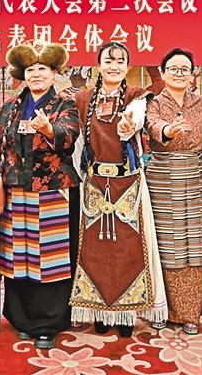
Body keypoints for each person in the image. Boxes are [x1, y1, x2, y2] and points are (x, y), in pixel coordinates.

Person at [69, 42, 167, 337]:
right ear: (98, 65)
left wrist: (128, 125)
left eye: (120, 61)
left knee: (128, 248)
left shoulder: (136, 96)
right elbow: (78, 141)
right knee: (96, 250)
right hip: (95, 183)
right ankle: (100, 311)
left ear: (127, 66)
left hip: (128, 183)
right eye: (108, 60)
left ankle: (126, 315)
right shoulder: (83, 98)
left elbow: (137, 116)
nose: (114, 66)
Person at [0, 41, 81, 350]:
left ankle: (49, 323)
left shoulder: (65, 104)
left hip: (52, 190)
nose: (36, 74)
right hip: (17, 190)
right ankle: (22, 319)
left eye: (43, 68)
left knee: (51, 258)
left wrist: (49, 129)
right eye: (30, 69)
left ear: (54, 73)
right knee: (19, 256)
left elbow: (68, 136)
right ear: (22, 74)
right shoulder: (10, 107)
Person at [145, 48, 202, 334]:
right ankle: (161, 307)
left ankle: (190, 314)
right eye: (173, 68)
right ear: (162, 72)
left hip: (196, 176)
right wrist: (168, 131)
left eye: (185, 69)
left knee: (194, 244)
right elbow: (152, 125)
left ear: (193, 74)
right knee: (164, 243)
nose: (179, 73)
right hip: (162, 176)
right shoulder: (153, 103)